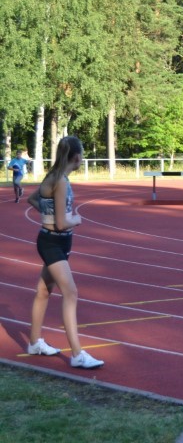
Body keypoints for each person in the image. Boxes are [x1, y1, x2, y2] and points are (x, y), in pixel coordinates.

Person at [26, 136, 104, 369]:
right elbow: (61, 223)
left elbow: (33, 198)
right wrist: (76, 219)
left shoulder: (54, 176)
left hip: (56, 241)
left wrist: (47, 214)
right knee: (71, 293)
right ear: (77, 157)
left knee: (44, 291)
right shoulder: (60, 181)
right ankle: (77, 354)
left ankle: (34, 343)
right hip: (53, 242)